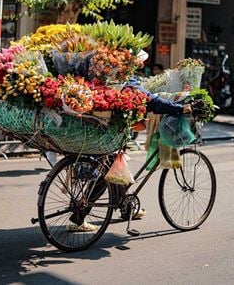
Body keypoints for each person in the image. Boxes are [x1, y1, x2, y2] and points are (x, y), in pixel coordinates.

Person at [67, 80, 192, 232]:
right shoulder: (128, 82)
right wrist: (179, 108)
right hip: (108, 137)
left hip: (93, 132)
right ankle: (79, 217)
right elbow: (153, 101)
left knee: (118, 173)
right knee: (111, 174)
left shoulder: (102, 78)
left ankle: (126, 208)